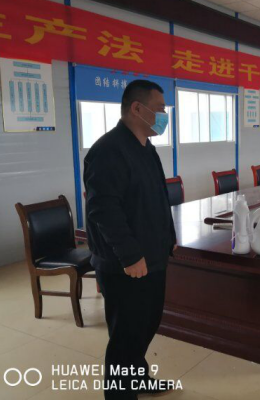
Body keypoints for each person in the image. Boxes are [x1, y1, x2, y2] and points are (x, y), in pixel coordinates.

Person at [84, 80, 177, 400]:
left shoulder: (146, 147)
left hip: (151, 256)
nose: (164, 116)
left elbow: (158, 198)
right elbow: (103, 209)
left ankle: (138, 378)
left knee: (146, 325)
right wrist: (129, 256)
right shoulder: (108, 151)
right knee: (126, 336)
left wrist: (169, 238)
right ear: (137, 108)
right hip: (126, 264)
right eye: (160, 109)